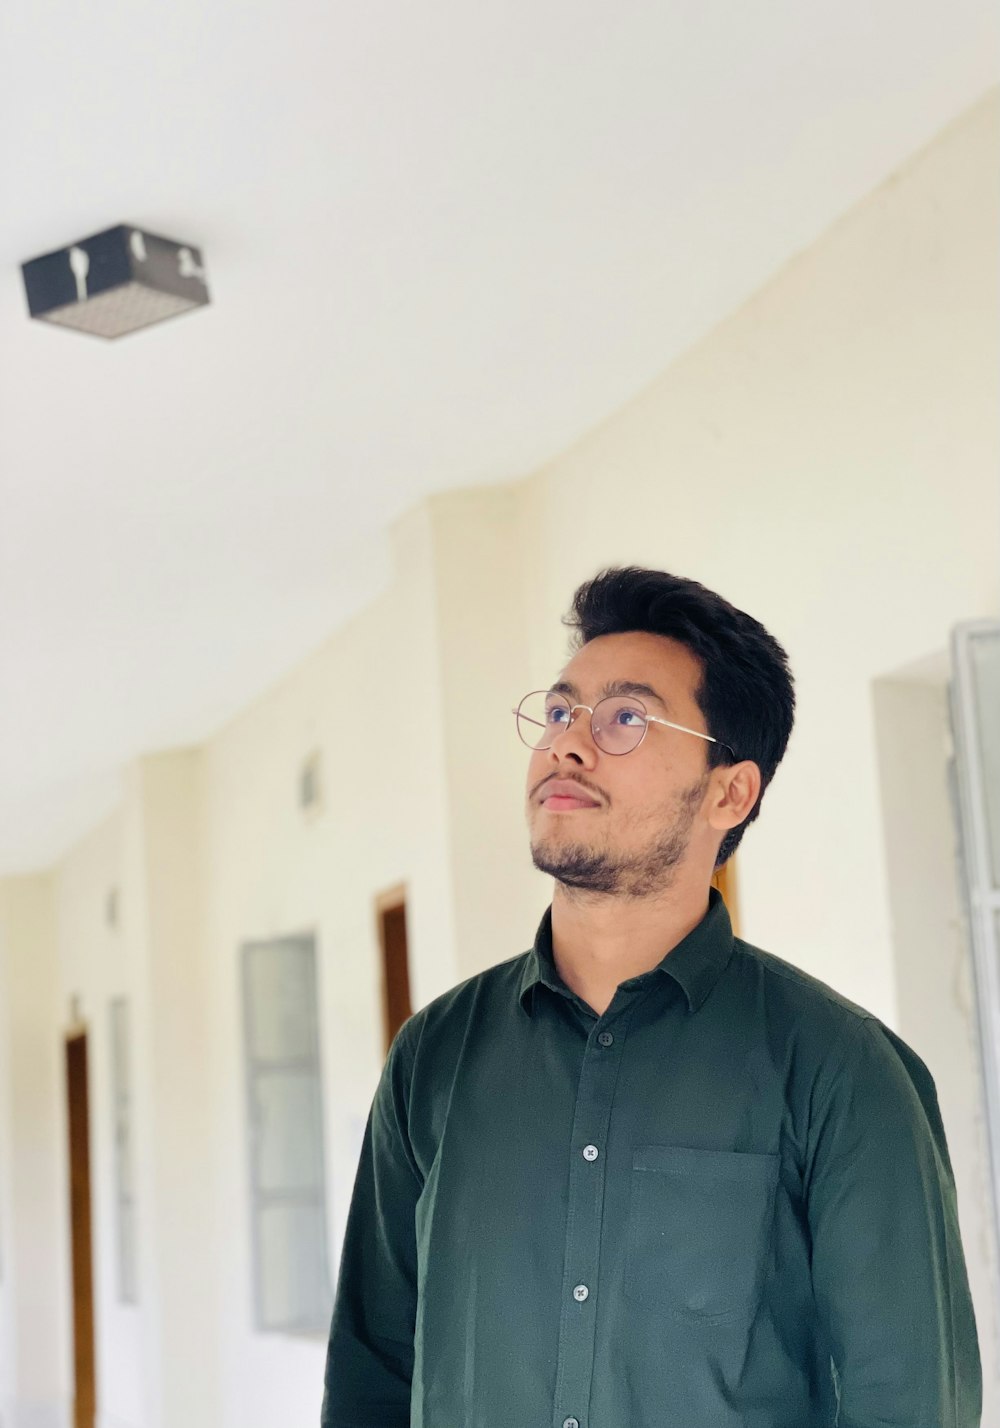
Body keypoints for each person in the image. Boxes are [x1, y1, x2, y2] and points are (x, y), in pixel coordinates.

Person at [321, 566, 982, 1428]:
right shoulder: (434, 1057)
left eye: (625, 719)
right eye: (560, 713)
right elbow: (372, 1378)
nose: (568, 743)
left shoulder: (841, 1072)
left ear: (729, 791)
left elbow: (908, 1402)